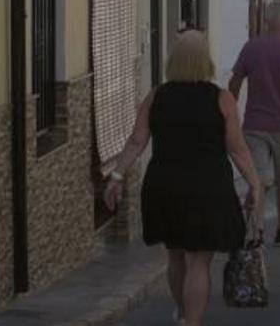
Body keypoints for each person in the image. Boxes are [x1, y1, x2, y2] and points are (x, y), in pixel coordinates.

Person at [105, 31, 262, 326]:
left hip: (165, 186)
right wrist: (254, 183)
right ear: (206, 61)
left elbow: (137, 141)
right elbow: (237, 149)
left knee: (175, 256)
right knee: (199, 261)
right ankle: (192, 322)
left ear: (173, 61)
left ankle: (182, 312)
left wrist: (116, 175)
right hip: (208, 187)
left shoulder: (156, 96)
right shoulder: (222, 99)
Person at [229, 1, 280, 247]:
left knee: (259, 181)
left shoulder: (250, 48)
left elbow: (234, 82)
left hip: (254, 125)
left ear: (265, 21)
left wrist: (231, 113)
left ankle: (257, 230)